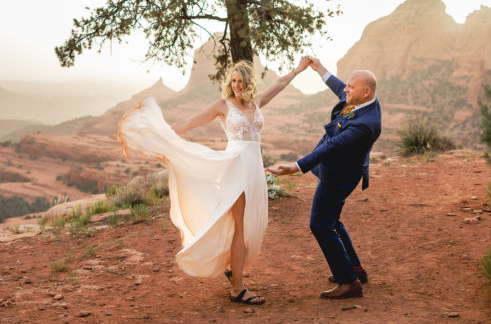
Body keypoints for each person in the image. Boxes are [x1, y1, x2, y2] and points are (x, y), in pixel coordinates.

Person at [117, 57, 310, 305]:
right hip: (236, 168)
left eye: (241, 81)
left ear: (249, 82)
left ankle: (232, 268)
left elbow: (280, 84)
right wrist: (160, 138)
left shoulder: (256, 103)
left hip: (254, 170)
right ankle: (238, 288)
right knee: (240, 226)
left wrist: (298, 69)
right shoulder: (223, 105)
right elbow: (189, 123)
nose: (237, 85)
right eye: (234, 81)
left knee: (247, 225)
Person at [267, 57, 381, 299]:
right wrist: (319, 69)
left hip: (338, 177)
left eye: (351, 87)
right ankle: (354, 268)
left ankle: (348, 282)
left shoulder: (366, 124)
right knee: (332, 220)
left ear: (366, 92)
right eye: (348, 85)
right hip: (338, 171)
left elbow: (332, 147)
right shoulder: (363, 102)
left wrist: (296, 167)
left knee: (319, 224)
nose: (346, 90)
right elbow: (339, 87)